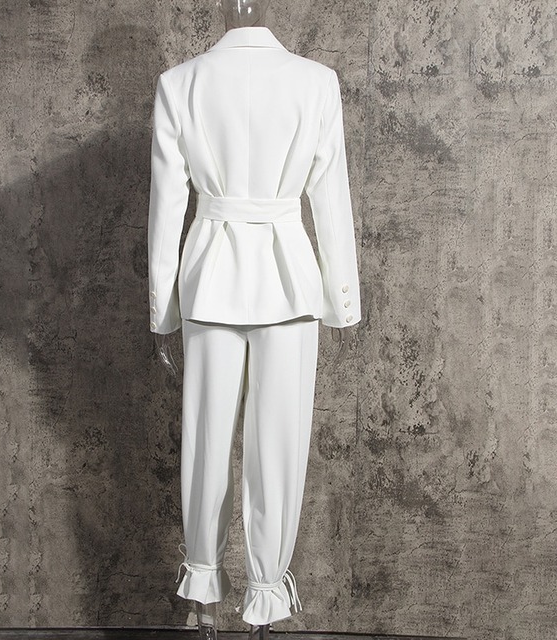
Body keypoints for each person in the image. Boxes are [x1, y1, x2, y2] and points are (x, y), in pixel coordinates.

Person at [147, 1, 361, 638]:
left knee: (205, 443)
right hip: (288, 279)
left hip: (209, 277)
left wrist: (163, 310)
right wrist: (342, 299)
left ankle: (202, 599)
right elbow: (330, 199)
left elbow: (167, 209)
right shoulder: (315, 82)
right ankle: (265, 604)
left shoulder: (181, 83)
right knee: (279, 447)